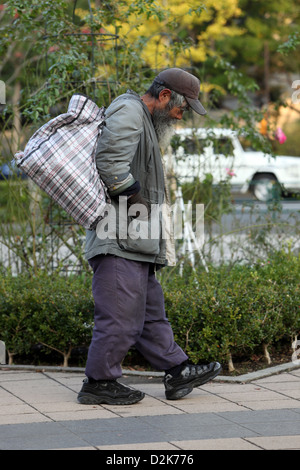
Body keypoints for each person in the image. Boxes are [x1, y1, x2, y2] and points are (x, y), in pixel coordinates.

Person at [77, 68, 222, 405]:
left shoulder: (145, 119)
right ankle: (98, 383)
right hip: (118, 237)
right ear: (164, 96)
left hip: (136, 238)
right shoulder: (129, 110)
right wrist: (137, 200)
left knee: (150, 313)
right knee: (120, 315)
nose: (179, 116)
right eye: (181, 109)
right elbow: (109, 161)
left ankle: (177, 370)